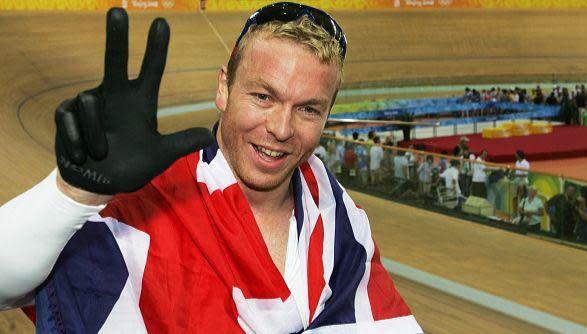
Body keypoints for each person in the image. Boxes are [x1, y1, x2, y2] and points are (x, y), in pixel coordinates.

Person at [0, 4, 421, 333]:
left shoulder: (342, 223)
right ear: (224, 88)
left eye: (308, 109)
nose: (280, 128)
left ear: (328, 114)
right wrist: (72, 195)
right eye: (263, 97)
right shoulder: (143, 198)